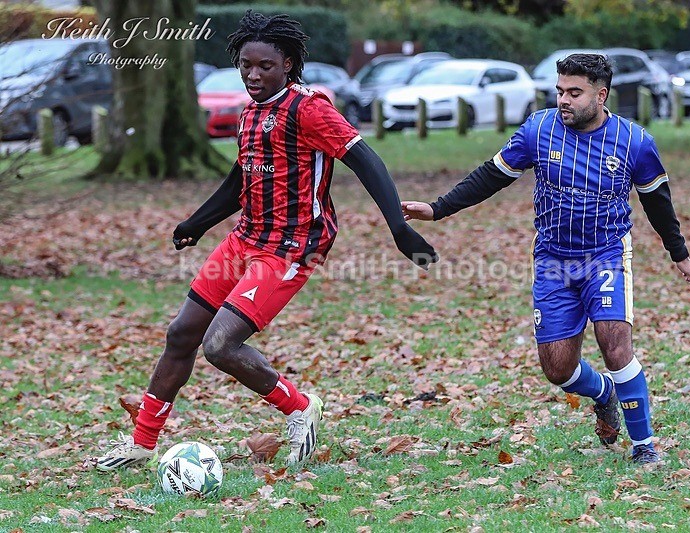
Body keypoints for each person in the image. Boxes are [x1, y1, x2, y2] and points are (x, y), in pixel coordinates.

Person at [95, 11, 437, 471]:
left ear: (289, 64)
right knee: (181, 334)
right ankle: (141, 443)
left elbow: (365, 159)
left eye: (265, 66)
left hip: (292, 246)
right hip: (244, 239)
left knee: (219, 346)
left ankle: (299, 408)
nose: (253, 74)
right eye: (246, 65)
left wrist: (397, 225)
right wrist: (197, 223)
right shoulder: (251, 112)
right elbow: (243, 177)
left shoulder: (309, 108)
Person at [402, 54, 690, 465]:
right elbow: (491, 175)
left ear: (601, 95)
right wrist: (438, 209)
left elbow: (658, 202)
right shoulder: (538, 130)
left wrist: (679, 254)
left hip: (606, 255)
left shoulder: (635, 142)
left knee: (615, 344)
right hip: (553, 261)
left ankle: (644, 446)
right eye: (560, 91)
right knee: (558, 369)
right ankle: (603, 392)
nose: (564, 99)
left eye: (574, 93)